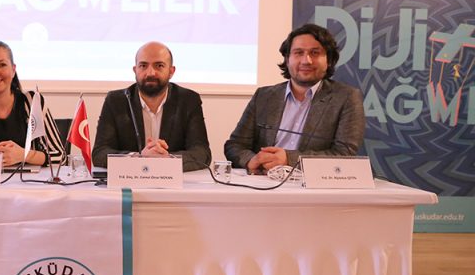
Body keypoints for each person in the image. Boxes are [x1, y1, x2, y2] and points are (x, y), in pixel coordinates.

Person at [224, 23, 365, 174]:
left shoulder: (346, 97)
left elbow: (344, 154)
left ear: (329, 60)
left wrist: (289, 159)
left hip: (310, 184)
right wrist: (251, 160)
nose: (306, 61)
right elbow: (235, 145)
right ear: (287, 59)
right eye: (298, 53)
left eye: (315, 53)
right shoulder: (264, 96)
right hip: (263, 181)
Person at [91, 41, 211, 172]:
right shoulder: (116, 101)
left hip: (172, 179)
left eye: (159, 66)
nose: (151, 73)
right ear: (135, 70)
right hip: (130, 179)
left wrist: (169, 159)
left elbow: (202, 152)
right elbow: (100, 153)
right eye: (143, 66)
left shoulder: (188, 100)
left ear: (171, 71)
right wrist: (138, 157)